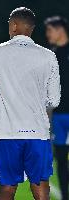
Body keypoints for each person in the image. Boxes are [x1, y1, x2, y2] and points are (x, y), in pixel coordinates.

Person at [0, 7, 61, 200]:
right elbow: (54, 100)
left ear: (13, 25)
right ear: (32, 29)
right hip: (38, 133)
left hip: (8, 133)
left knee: (7, 189)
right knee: (40, 188)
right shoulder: (48, 56)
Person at [44, 16, 69, 200]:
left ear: (60, 29)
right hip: (59, 116)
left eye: (50, 30)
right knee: (60, 159)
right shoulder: (50, 56)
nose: (47, 34)